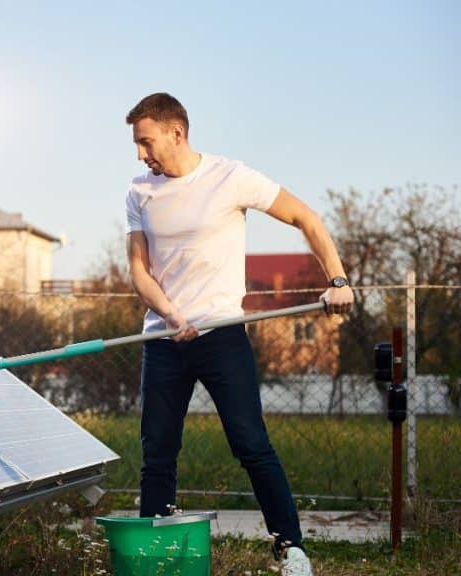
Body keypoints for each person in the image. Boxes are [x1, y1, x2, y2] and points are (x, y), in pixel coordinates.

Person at [123, 93, 354, 576]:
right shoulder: (139, 191)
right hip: (163, 341)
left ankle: (291, 549)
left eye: (146, 142)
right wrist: (168, 314)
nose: (142, 154)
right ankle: (153, 558)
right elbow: (139, 271)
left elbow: (305, 218)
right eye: (138, 146)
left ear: (176, 133)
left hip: (222, 334)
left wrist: (336, 280)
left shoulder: (231, 177)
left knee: (251, 443)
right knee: (157, 452)